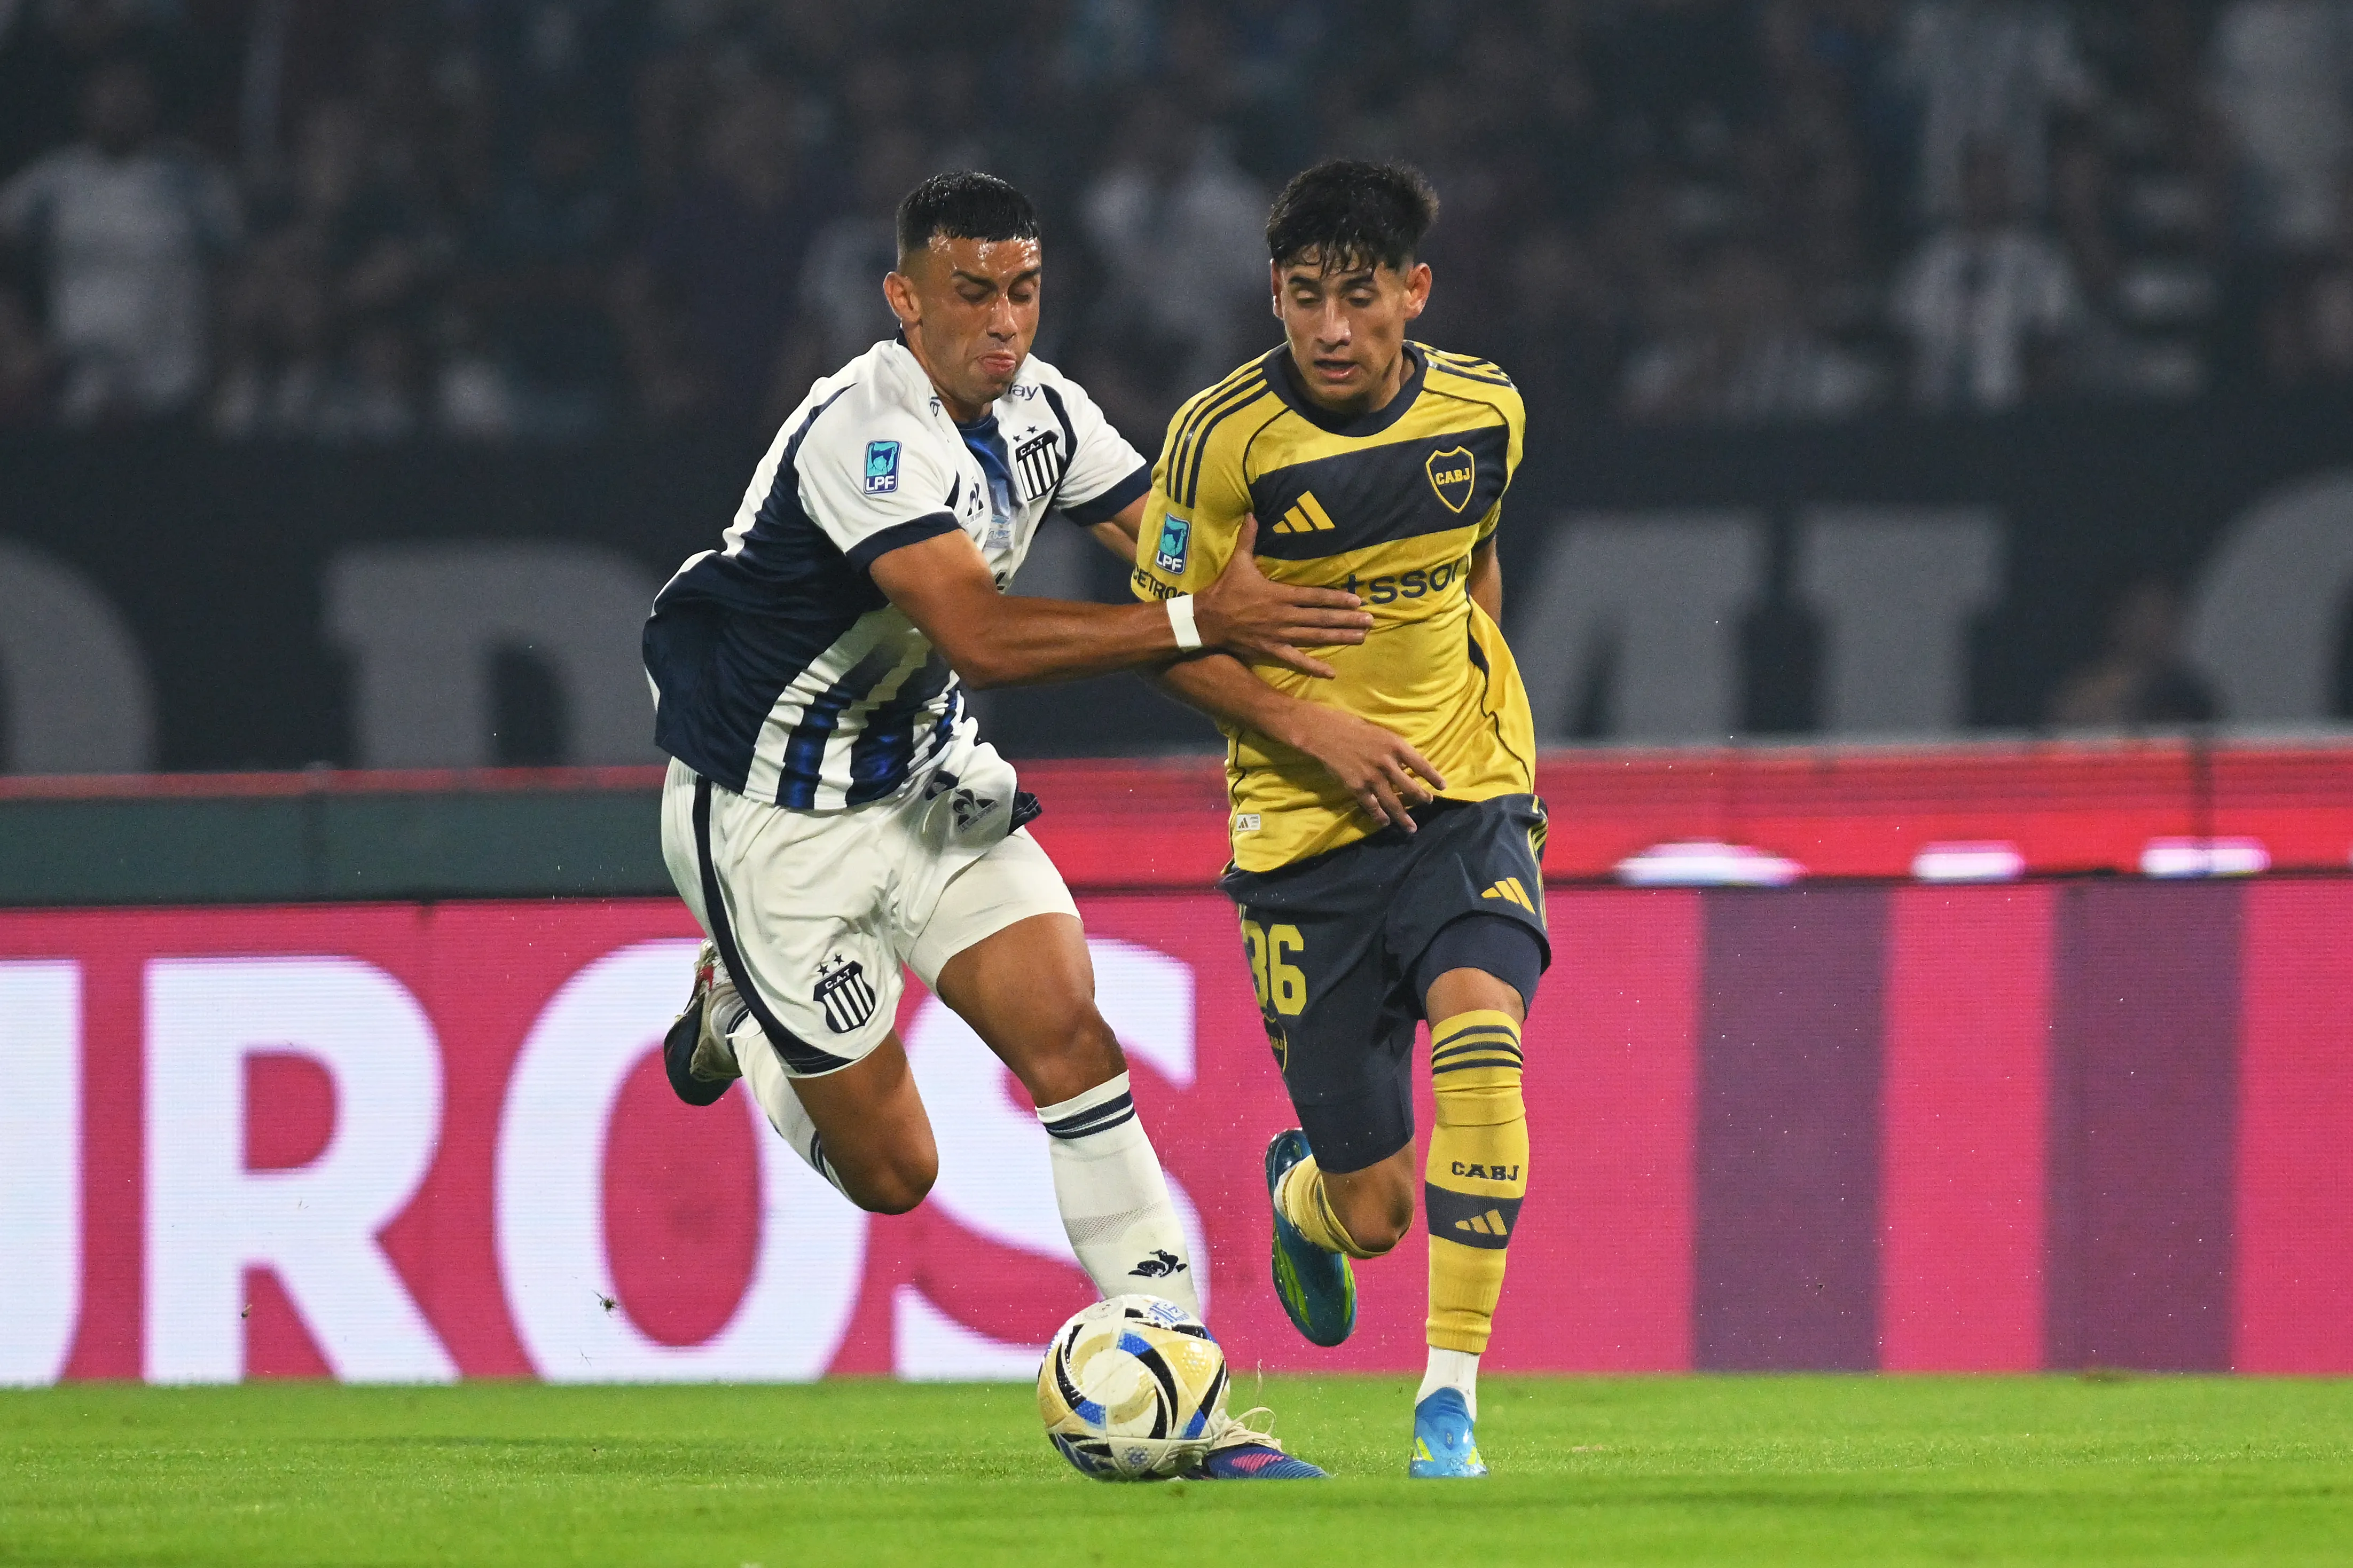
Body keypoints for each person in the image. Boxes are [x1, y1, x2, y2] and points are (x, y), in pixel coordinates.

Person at [641, 171, 1360, 1479]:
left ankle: (1170, 1374)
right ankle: (736, 1011)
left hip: (926, 781)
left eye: (1023, 290)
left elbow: (1178, 573)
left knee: (1071, 1038)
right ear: (903, 298)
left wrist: (1302, 705)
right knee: (895, 1170)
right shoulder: (866, 436)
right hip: (775, 821)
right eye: (970, 292)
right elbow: (984, 632)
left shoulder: (1048, 411)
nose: (1003, 321)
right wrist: (1206, 616)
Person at [1125, 161, 1543, 1479]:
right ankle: (1304, 1192)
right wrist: (1320, 732)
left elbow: (1475, 560)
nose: (1331, 329)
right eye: (1304, 299)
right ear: (1274, 295)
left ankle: (1448, 1399)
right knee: (1377, 1210)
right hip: (1305, 839)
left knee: (1484, 1026)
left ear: (1412, 293)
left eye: (1358, 298)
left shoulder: (1487, 409)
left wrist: (1483, 720)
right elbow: (1163, 637)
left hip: (1464, 795)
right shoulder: (1221, 440)